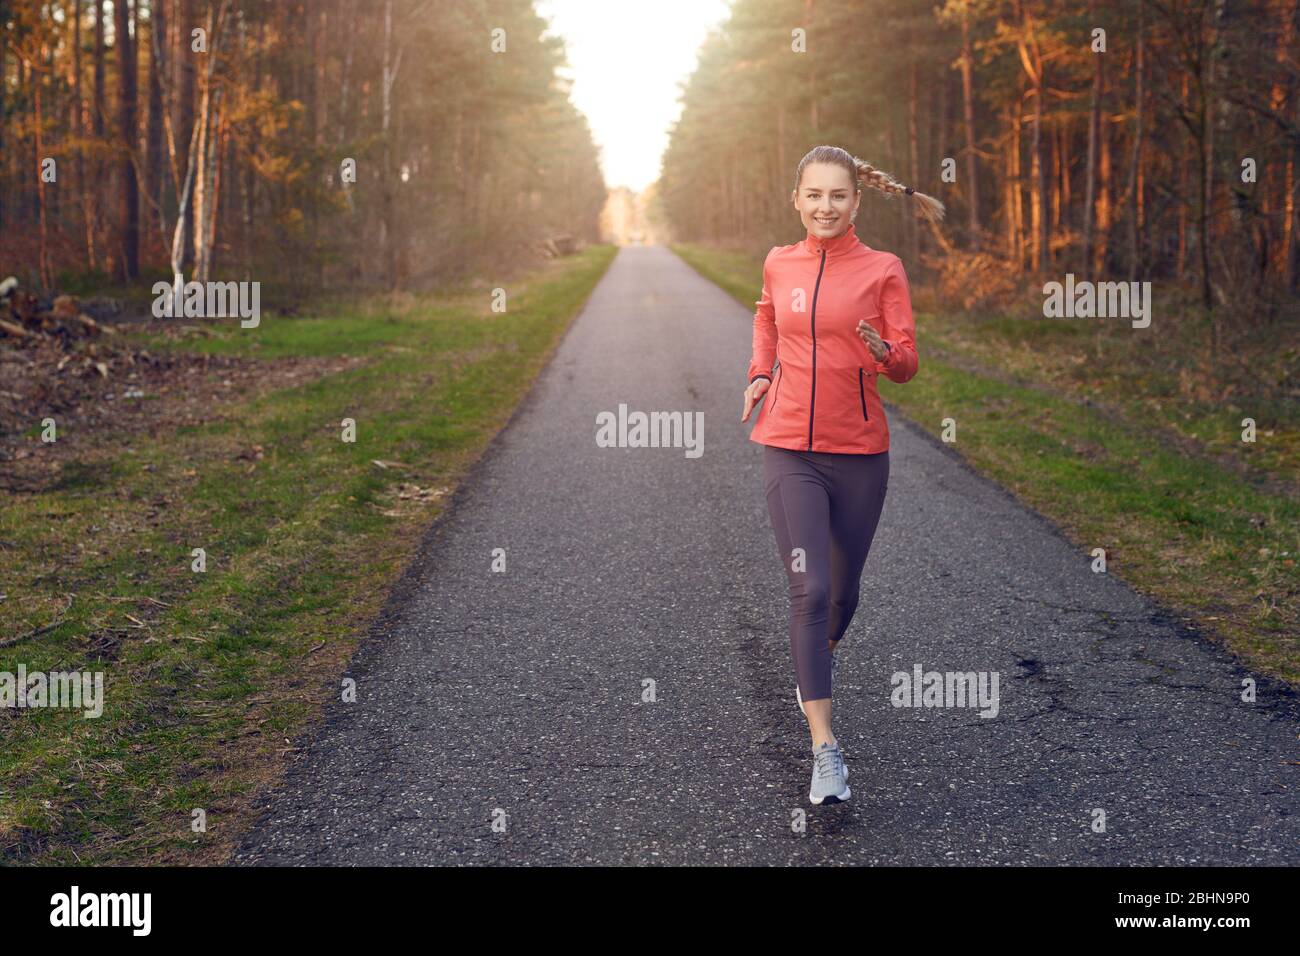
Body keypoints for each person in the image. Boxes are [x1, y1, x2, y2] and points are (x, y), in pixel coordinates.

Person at [740, 145, 944, 805]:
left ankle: (813, 661)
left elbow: (908, 361)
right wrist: (761, 373)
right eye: (814, 195)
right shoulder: (779, 262)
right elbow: (767, 317)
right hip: (787, 446)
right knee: (811, 587)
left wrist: (888, 355)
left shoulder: (883, 270)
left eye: (838, 196)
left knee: (843, 595)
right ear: (797, 200)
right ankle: (824, 747)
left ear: (856, 202)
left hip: (859, 453)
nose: (824, 207)